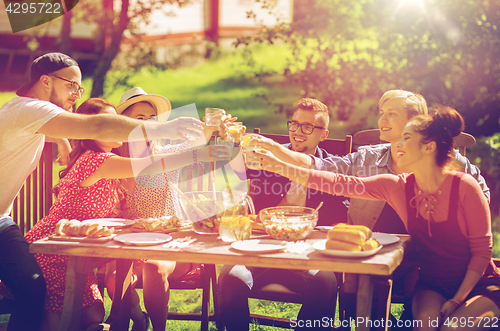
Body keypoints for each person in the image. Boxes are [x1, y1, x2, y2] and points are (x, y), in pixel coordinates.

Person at [0, 52, 202, 331]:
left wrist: (61, 142)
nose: (76, 93)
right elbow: (98, 128)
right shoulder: (38, 114)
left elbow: (51, 129)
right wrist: (165, 129)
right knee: (37, 293)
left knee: (86, 311)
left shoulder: (30, 113)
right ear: (45, 82)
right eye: (72, 85)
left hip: (19, 227)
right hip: (56, 249)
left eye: (79, 87)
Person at [251, 90, 490, 324]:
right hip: (413, 274)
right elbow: (336, 181)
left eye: (405, 137)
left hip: (466, 277)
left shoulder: (462, 178)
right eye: (381, 113)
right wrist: (279, 162)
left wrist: (458, 300)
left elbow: (482, 248)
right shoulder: (396, 185)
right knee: (418, 319)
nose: (397, 145)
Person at [24, 98, 218, 331]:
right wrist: (198, 155)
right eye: (111, 123)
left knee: (95, 314)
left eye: (119, 121)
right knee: (59, 320)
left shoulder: (100, 157)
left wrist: (63, 142)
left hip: (75, 248)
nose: (118, 126)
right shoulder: (98, 161)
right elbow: (150, 165)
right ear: (90, 129)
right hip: (54, 251)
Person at [104, 87, 229, 331]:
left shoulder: (164, 156)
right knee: (113, 278)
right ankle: (139, 318)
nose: (148, 125)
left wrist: (216, 124)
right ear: (123, 124)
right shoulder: (110, 160)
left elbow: (201, 139)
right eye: (139, 119)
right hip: (129, 245)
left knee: (153, 266)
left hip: (171, 243)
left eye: (152, 119)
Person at [218, 98, 341, 330]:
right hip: (259, 249)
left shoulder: (331, 168)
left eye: (307, 127)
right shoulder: (266, 157)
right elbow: (234, 174)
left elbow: (338, 219)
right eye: (294, 125)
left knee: (326, 282)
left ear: (323, 134)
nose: (297, 132)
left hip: (308, 254)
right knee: (230, 277)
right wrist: (232, 144)